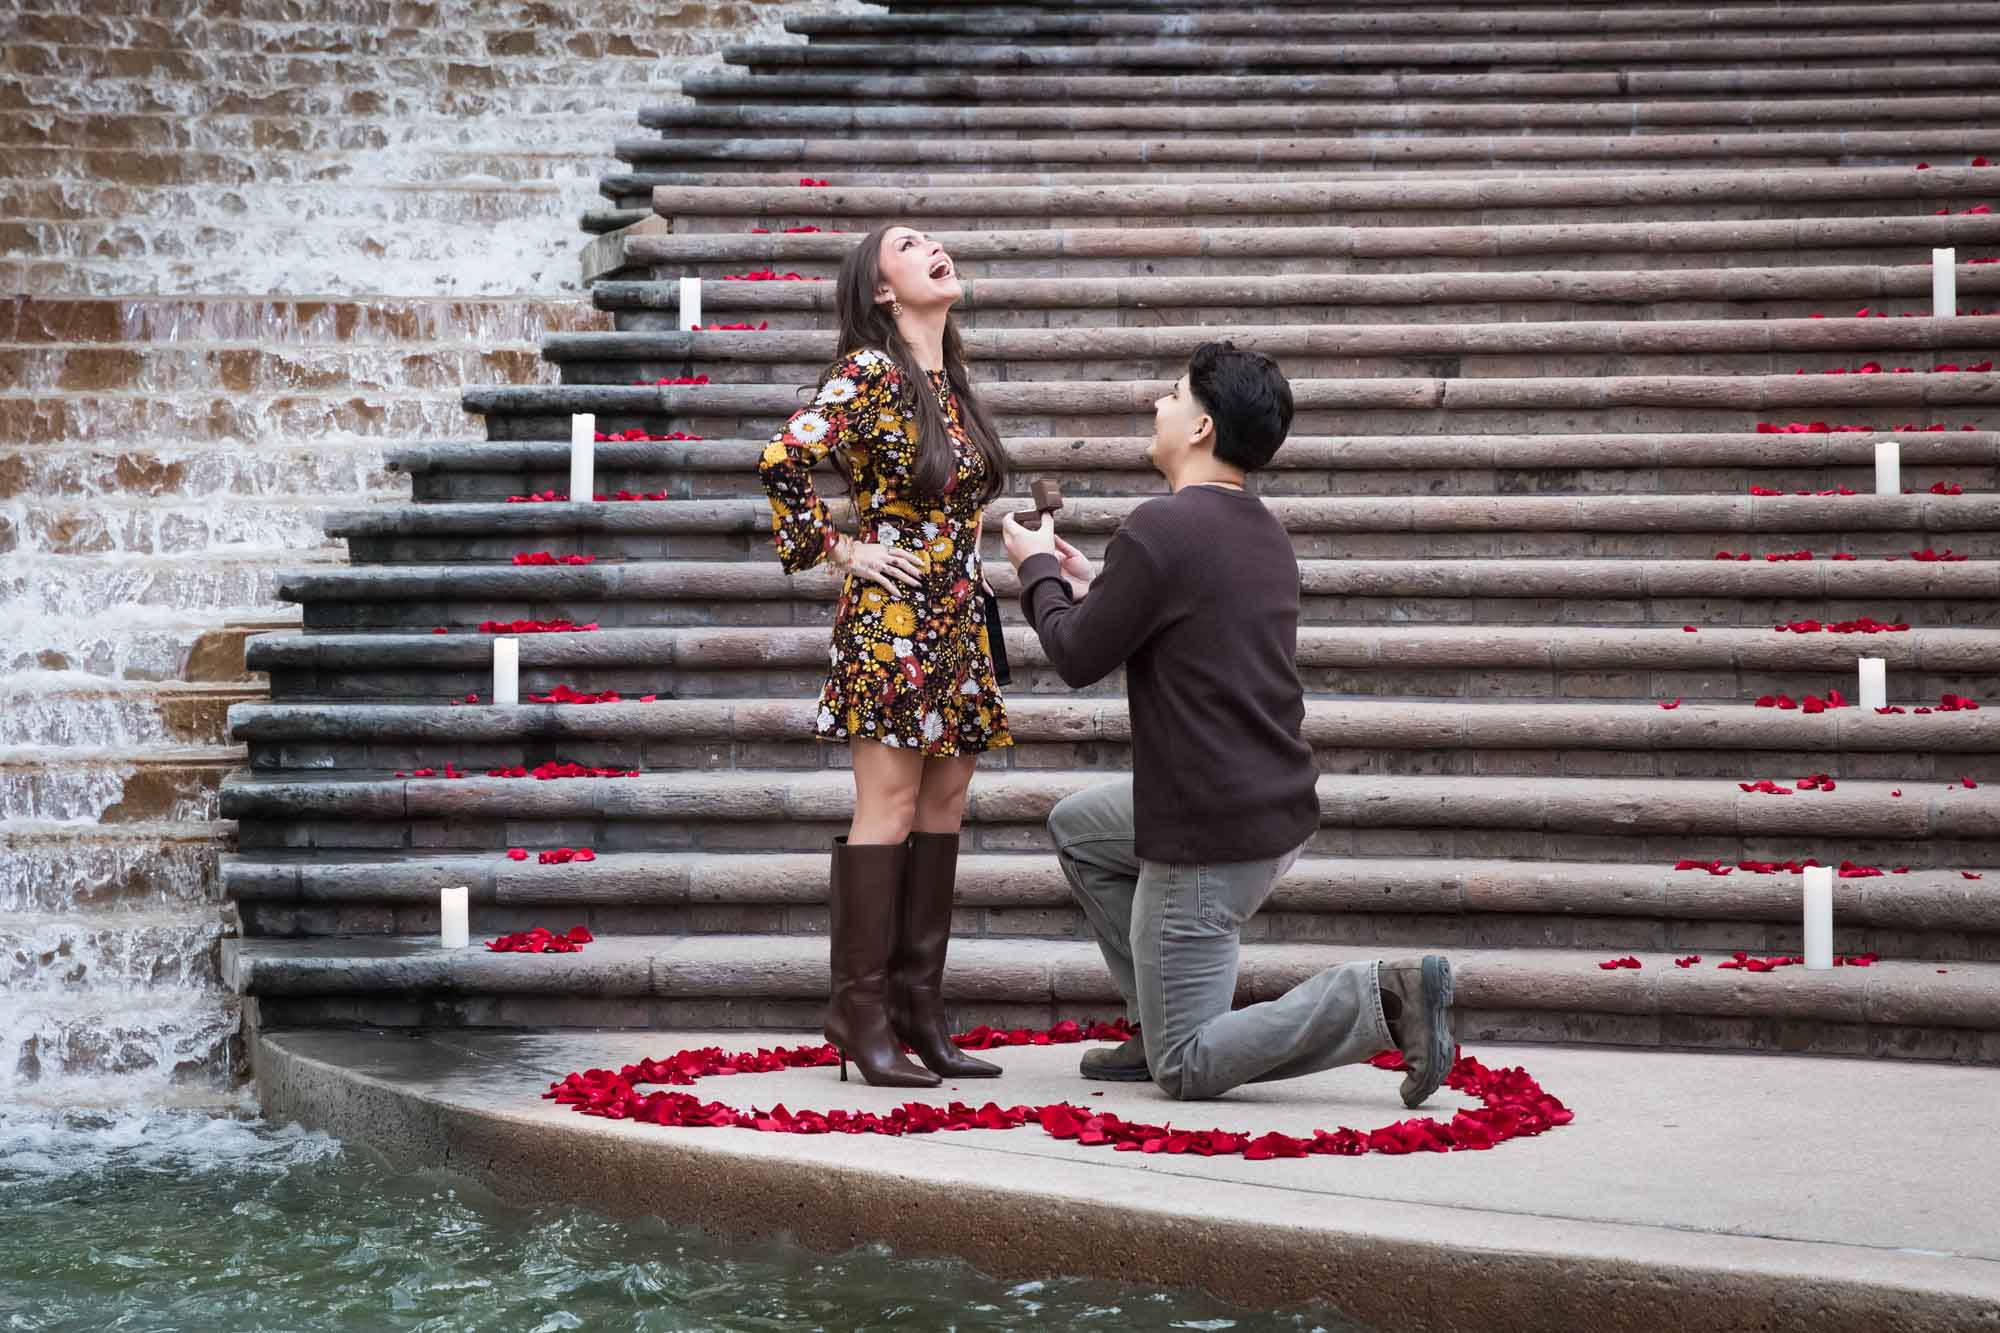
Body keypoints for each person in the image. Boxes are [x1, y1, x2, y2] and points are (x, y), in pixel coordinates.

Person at [999, 341, 1457, 1107]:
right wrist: (1096, 583)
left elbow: (1076, 654)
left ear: (1203, 427)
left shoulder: (1161, 529)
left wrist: (1037, 568)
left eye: (1172, 396)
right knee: (1081, 827)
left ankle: (1385, 996)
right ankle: (1156, 1014)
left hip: (1207, 830)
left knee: (1189, 1065)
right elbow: (1178, 610)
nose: (1157, 405)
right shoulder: (1258, 529)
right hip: (1267, 801)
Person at [757, 222, 1013, 1087]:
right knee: (891, 807)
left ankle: (918, 1010)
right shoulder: (869, 372)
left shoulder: (948, 381)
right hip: (893, 621)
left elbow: (959, 502)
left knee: (943, 808)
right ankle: (858, 1011)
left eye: (935, 238)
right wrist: (840, 551)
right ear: (879, 288)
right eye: (909, 244)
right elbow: (784, 458)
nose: (936, 246)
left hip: (958, 621)